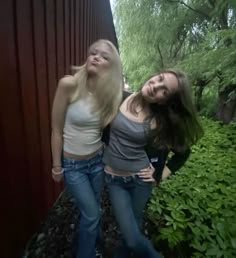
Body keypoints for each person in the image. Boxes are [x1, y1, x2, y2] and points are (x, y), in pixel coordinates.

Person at [102, 69, 204, 258]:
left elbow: (183, 153)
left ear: (165, 101)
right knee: (132, 235)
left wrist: (159, 175)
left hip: (141, 182)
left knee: (132, 228)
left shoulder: (160, 121)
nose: (155, 86)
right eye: (159, 79)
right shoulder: (119, 98)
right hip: (115, 180)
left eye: (164, 91)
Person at [51, 39, 123, 258]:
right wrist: (56, 166)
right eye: (93, 53)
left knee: (92, 211)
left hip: (97, 161)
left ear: (111, 67)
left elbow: (110, 128)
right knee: (92, 214)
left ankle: (93, 240)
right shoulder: (69, 84)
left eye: (104, 57)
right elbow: (55, 128)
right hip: (74, 166)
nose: (96, 57)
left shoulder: (109, 94)